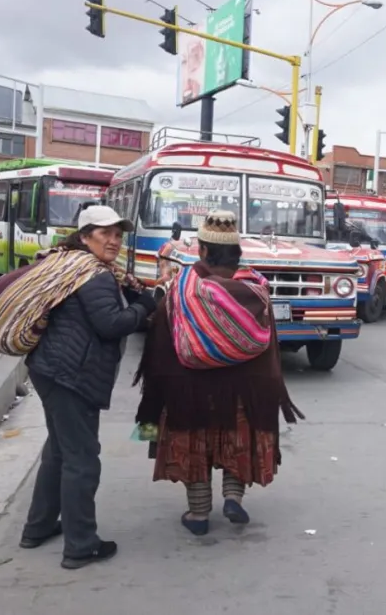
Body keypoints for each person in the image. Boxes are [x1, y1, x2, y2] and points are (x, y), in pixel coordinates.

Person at [134, 210, 303, 536]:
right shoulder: (256, 291)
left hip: (188, 391)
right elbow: (269, 354)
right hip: (242, 392)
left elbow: (160, 349)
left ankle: (198, 516)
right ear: (236, 252)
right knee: (236, 441)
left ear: (204, 251)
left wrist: (152, 409)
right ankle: (232, 497)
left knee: (195, 447)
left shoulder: (181, 291)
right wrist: (269, 395)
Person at [18, 205, 157, 570]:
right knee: (82, 458)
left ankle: (39, 526)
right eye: (104, 233)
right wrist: (144, 305)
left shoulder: (68, 264)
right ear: (84, 237)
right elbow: (111, 324)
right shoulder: (92, 275)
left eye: (117, 234)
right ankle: (81, 544)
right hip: (72, 375)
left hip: (50, 369)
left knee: (59, 450)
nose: (113, 240)